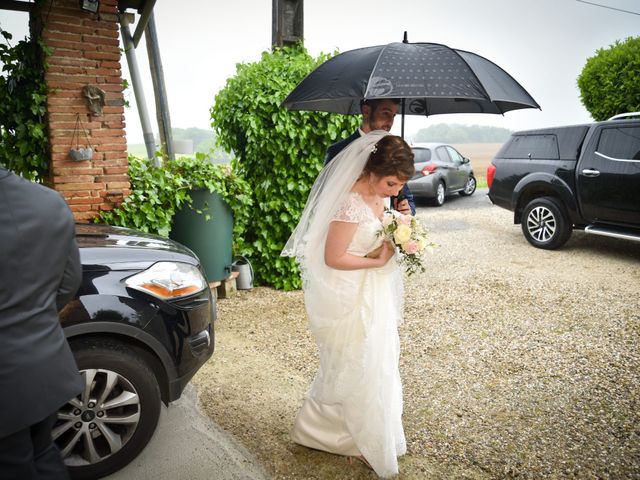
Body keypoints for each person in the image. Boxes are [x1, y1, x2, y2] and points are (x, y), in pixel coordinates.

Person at [282, 131, 415, 478]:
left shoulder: (381, 197)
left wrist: (400, 226)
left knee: (378, 357)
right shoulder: (348, 201)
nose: (395, 191)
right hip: (347, 291)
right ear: (372, 170)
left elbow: (375, 236)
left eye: (400, 185)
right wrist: (377, 261)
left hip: (373, 290)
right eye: (391, 183)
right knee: (353, 359)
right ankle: (328, 432)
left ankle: (368, 431)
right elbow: (334, 257)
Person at [0, 166, 83, 479]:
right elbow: (69, 281)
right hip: (47, 366)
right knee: (44, 451)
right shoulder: (49, 202)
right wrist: (35, 316)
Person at [324, 98, 416, 216]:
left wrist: (407, 210)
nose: (390, 122)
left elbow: (408, 199)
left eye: (393, 115)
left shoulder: (395, 150)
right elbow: (325, 202)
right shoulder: (338, 151)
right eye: (386, 113)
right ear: (366, 111)